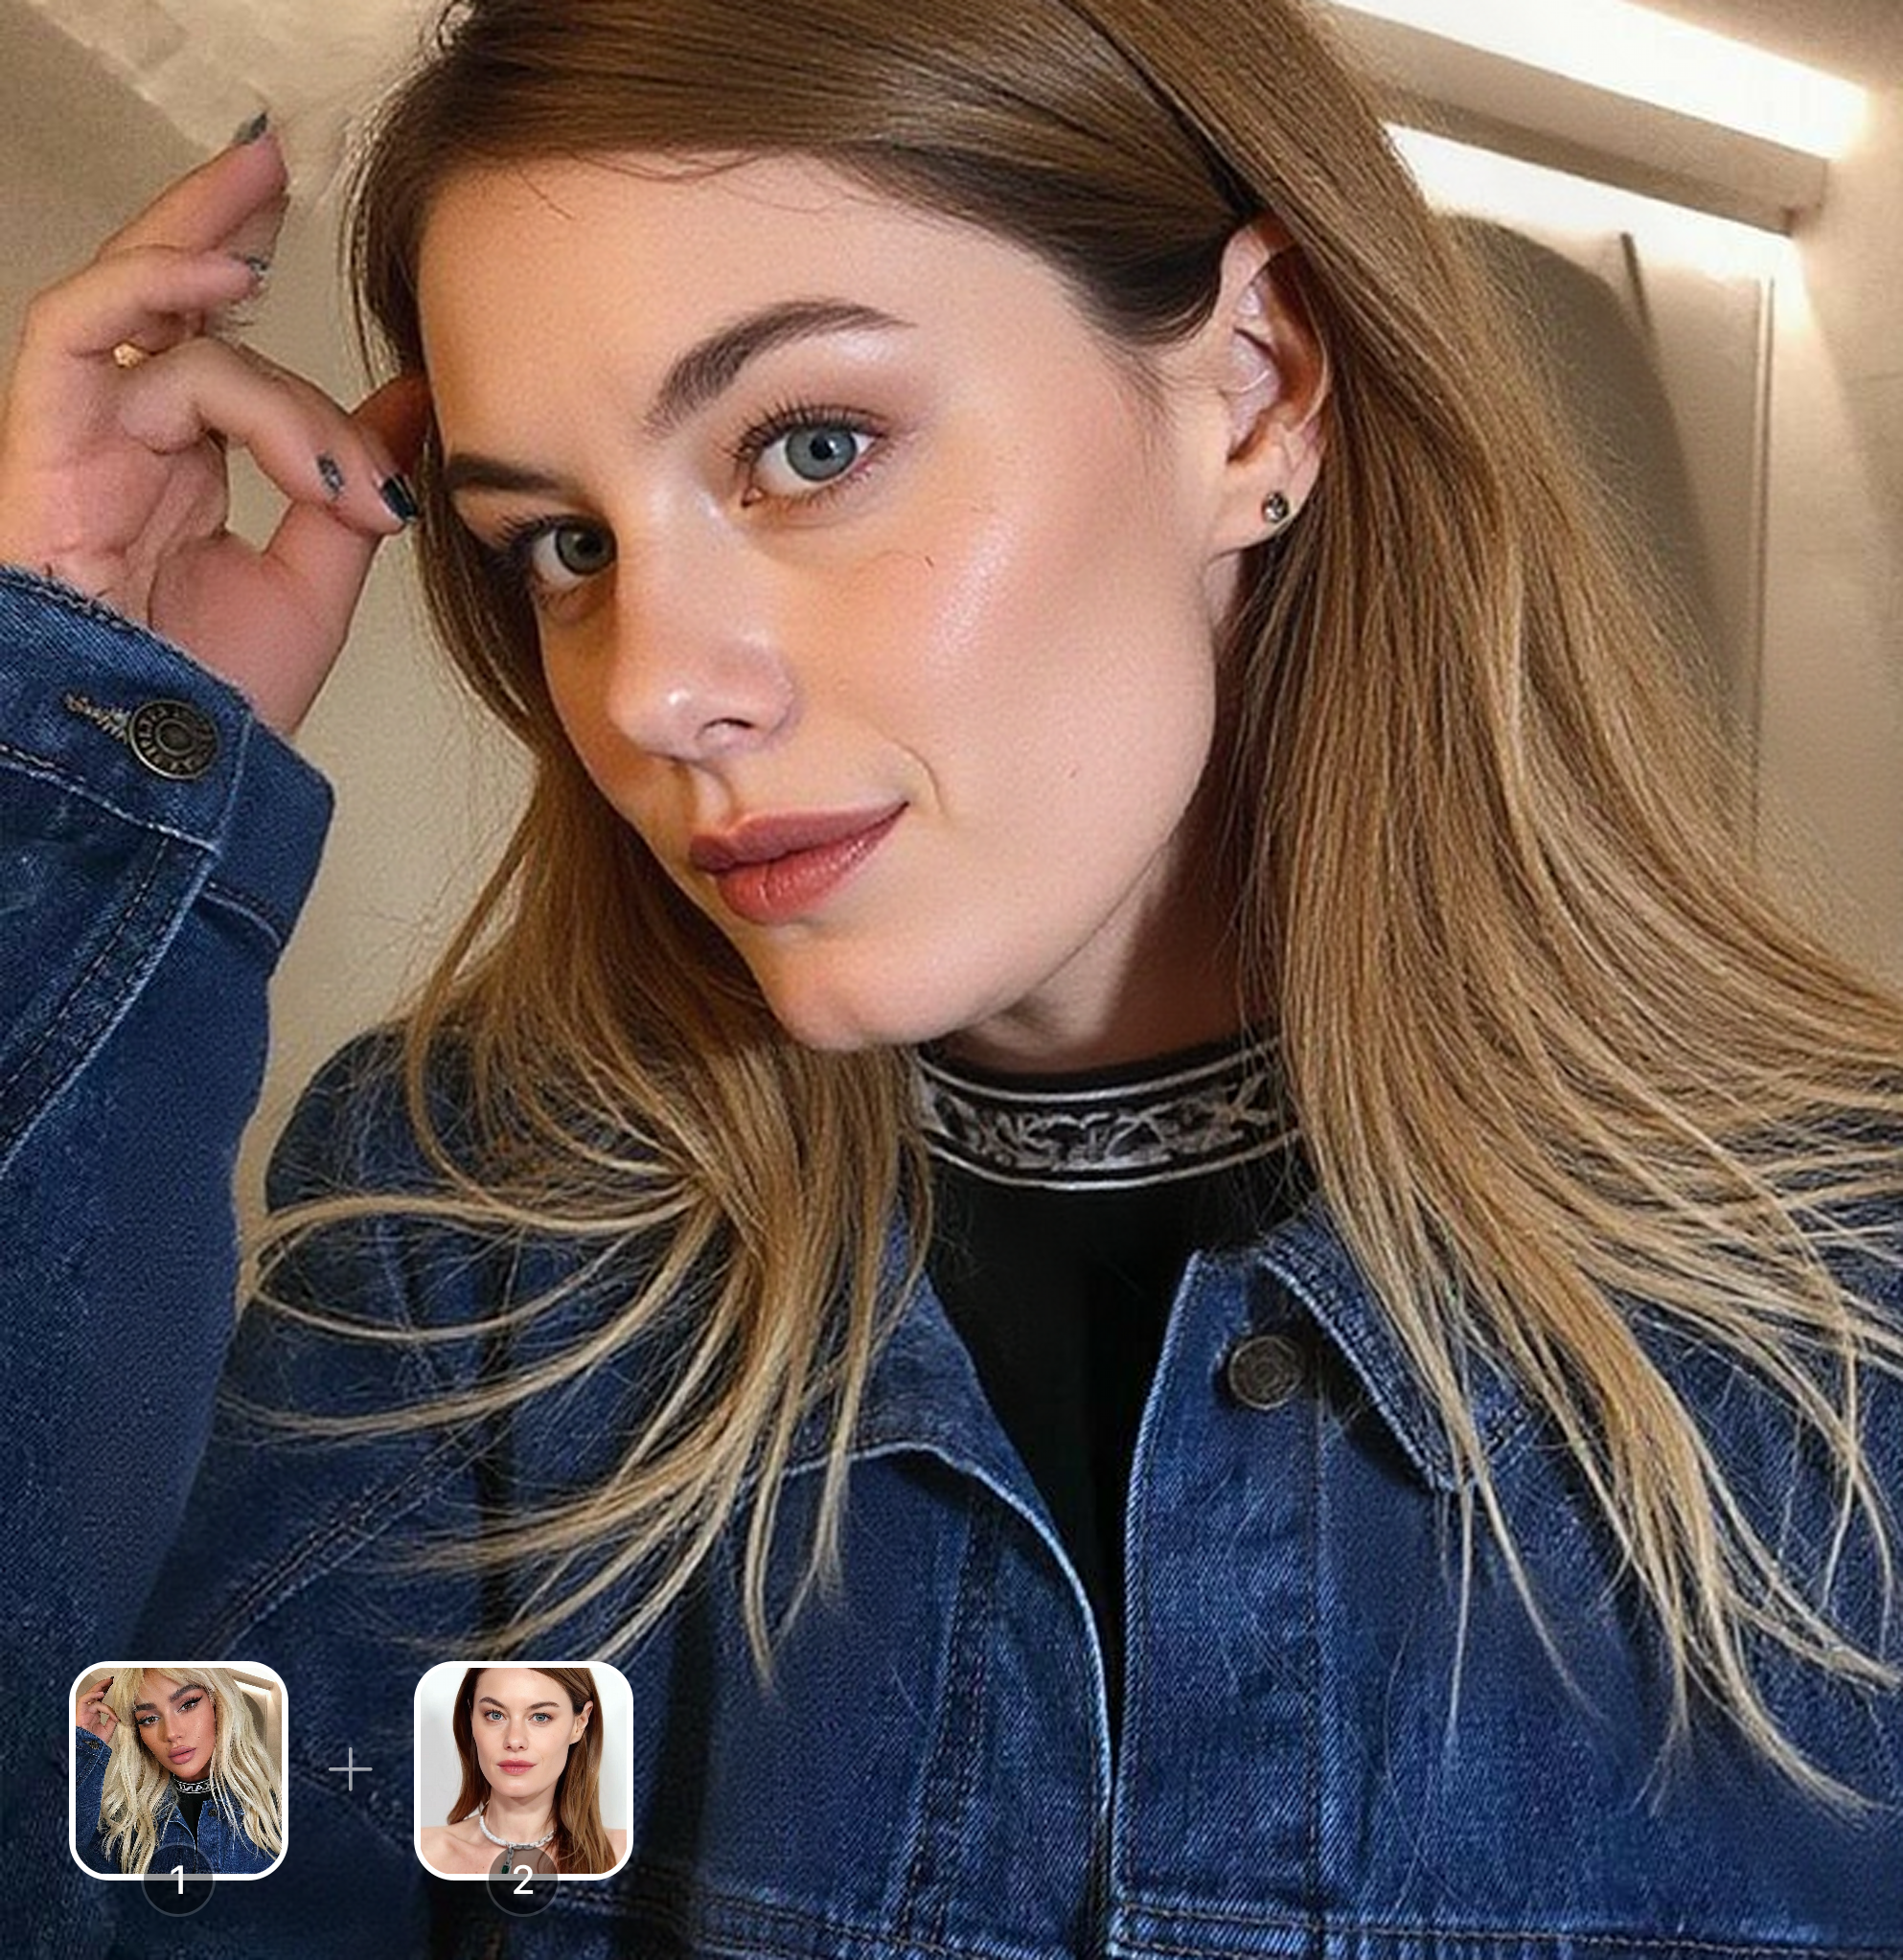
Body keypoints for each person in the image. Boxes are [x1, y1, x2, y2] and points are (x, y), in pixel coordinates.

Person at [5, 0, 1903, 1953]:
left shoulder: (1857, 1310)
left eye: (811, 447)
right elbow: (143, 1873)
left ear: (1254, 391)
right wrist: (90, 799)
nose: (653, 688)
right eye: (563, 541)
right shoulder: (480, 1247)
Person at [72, 1669, 284, 1878]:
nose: (171, 1733)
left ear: (219, 1706)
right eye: (149, 1719)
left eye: (188, 1704)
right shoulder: (122, 1826)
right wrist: (84, 1748)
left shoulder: (279, 1814)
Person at [417, 1665, 626, 1877]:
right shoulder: (421, 1853)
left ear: (579, 1723)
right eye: (495, 1715)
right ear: (471, 1718)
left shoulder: (625, 1856)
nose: (514, 1740)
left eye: (540, 1717)